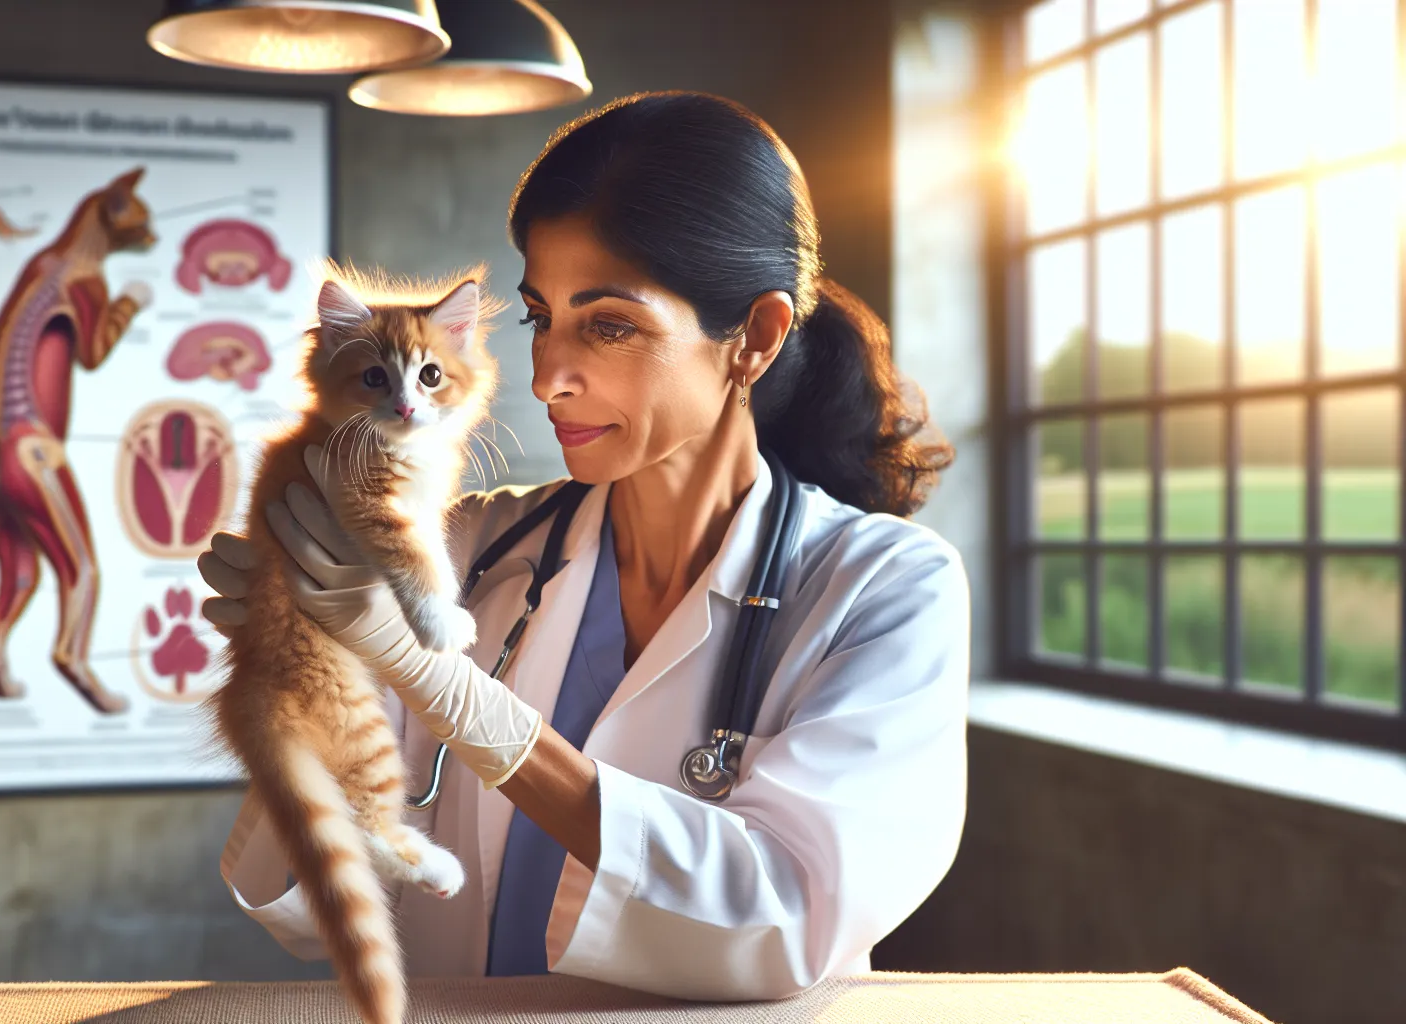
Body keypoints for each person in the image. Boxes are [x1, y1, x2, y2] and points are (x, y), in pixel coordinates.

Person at [196, 92, 968, 1000]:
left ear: (753, 338)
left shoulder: (886, 590)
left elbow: (788, 917)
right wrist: (297, 667)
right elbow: (307, 891)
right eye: (538, 317)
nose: (547, 376)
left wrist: (460, 702)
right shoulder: (466, 545)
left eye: (608, 324)